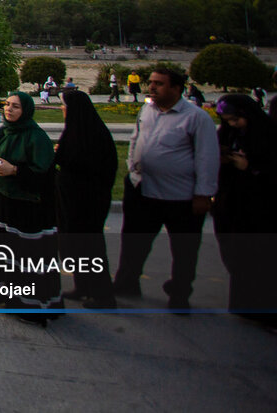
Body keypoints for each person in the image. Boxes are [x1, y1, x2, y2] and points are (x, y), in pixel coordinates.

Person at [112, 68, 219, 312]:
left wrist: (204, 194)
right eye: (151, 82)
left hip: (179, 197)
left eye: (159, 84)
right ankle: (127, 282)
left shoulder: (196, 118)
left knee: (184, 249)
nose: (151, 87)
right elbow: (135, 140)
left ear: (176, 88)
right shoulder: (147, 110)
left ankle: (180, 293)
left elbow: (207, 158)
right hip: (143, 189)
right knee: (134, 242)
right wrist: (132, 167)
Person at [0, 92, 63, 325]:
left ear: (25, 110)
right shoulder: (4, 131)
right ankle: (9, 297)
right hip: (6, 201)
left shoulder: (36, 137)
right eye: (7, 105)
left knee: (27, 256)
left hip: (30, 206)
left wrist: (15, 170)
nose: (9, 109)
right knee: (9, 252)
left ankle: (31, 306)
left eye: (15, 106)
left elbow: (45, 175)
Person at [210, 94, 276, 326]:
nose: (232, 125)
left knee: (261, 260)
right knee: (237, 256)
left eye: (235, 120)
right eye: (227, 121)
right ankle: (243, 304)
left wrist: (251, 167)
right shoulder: (230, 133)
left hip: (260, 209)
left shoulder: (267, 135)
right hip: (232, 204)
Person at [55, 89, 118, 309]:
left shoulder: (93, 135)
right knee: (74, 244)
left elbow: (84, 163)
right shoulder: (76, 131)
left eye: (64, 106)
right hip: (72, 199)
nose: (62, 110)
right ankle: (82, 286)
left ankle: (102, 294)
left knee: (90, 247)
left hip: (88, 201)